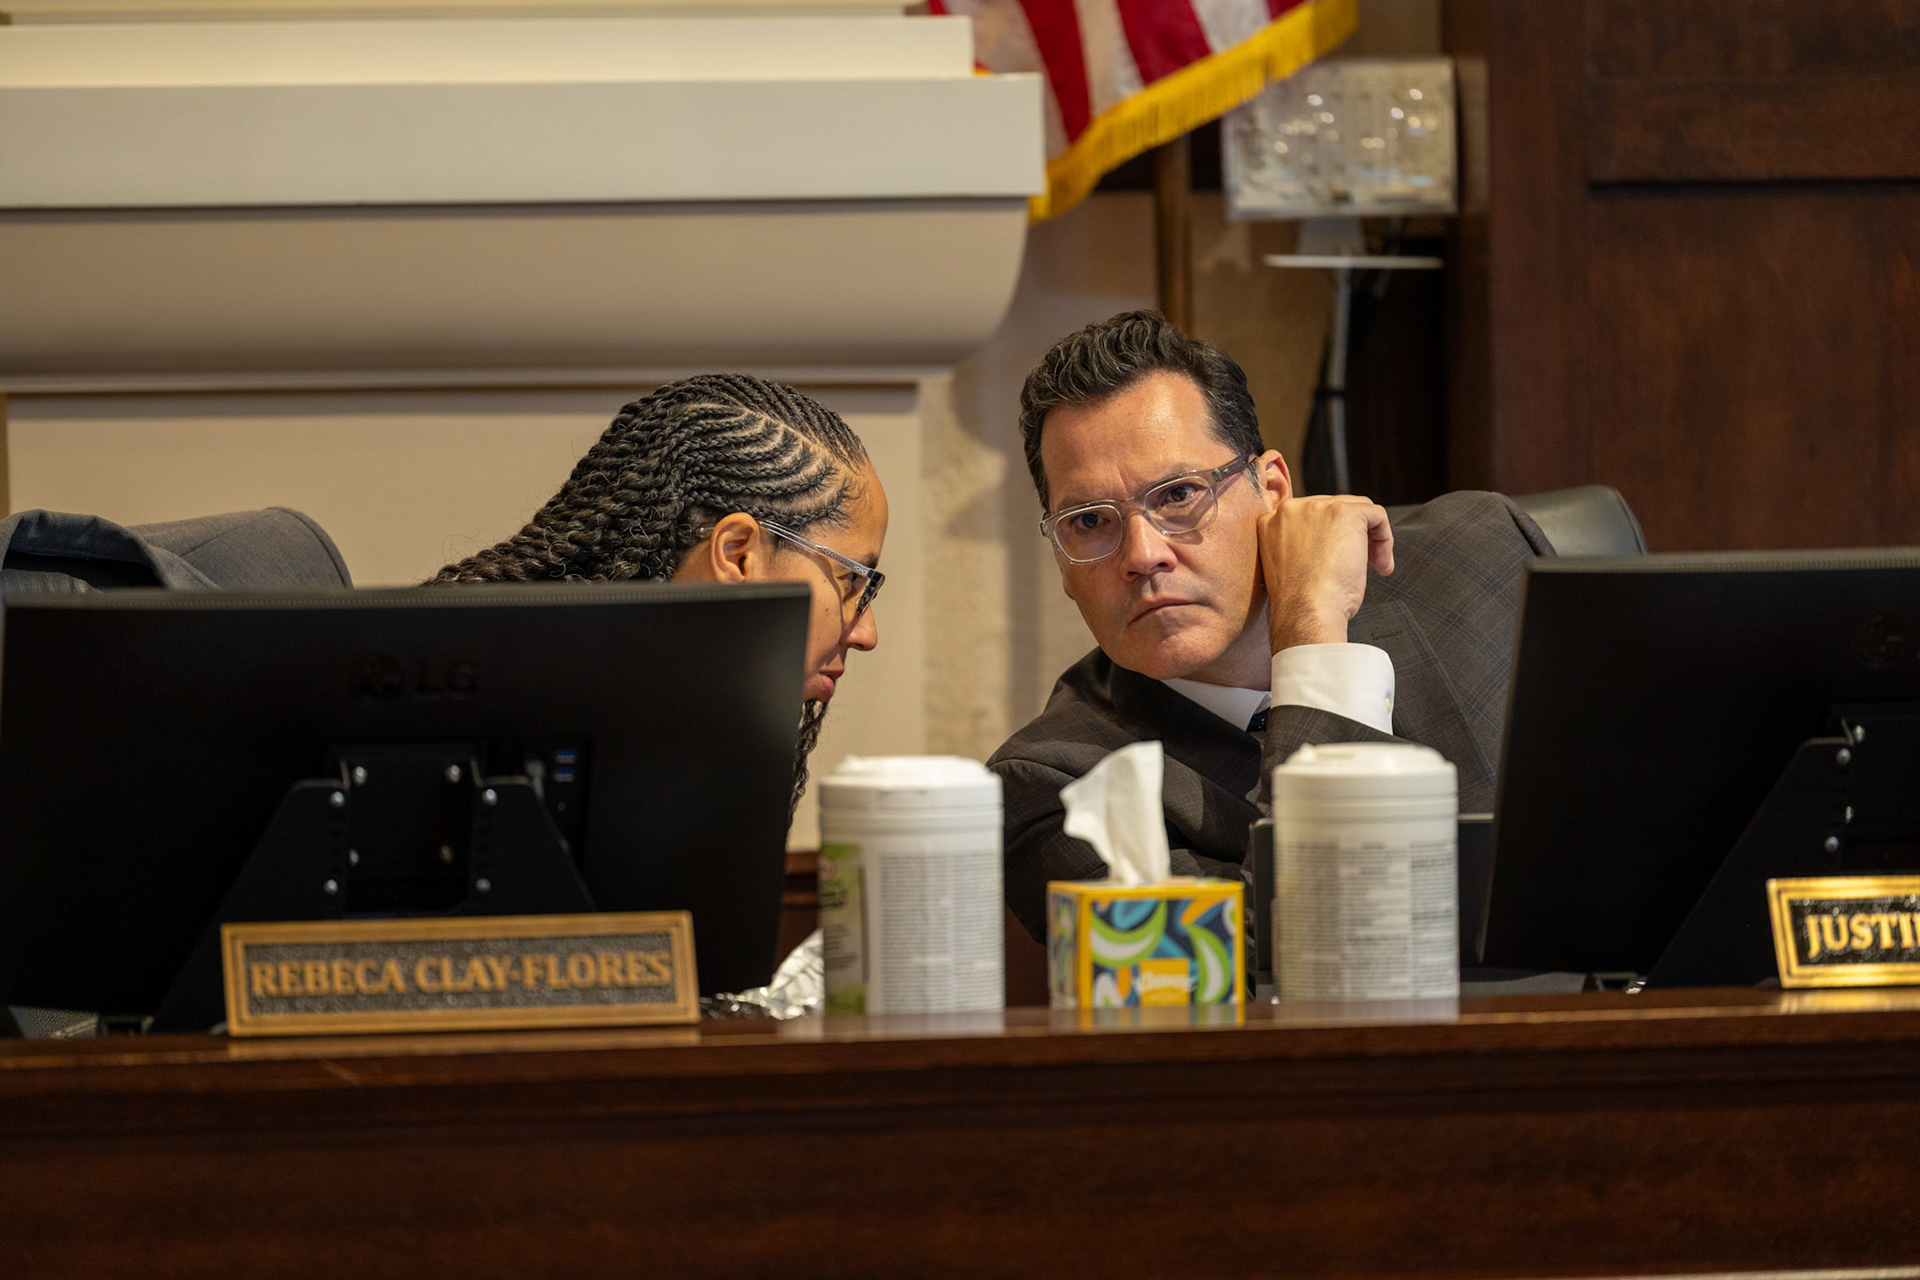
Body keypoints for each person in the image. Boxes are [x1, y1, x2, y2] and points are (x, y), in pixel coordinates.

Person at [988, 311, 1552, 941]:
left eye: (1177, 494)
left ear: (1274, 491)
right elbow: (1251, 982)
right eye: (1090, 522)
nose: (1143, 553)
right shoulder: (1056, 785)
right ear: (1063, 566)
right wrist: (1312, 641)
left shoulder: (1483, 557)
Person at [431, 373, 887, 814]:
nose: (866, 633)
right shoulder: (498, 730)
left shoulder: (705, 748)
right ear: (737, 554)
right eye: (851, 580)